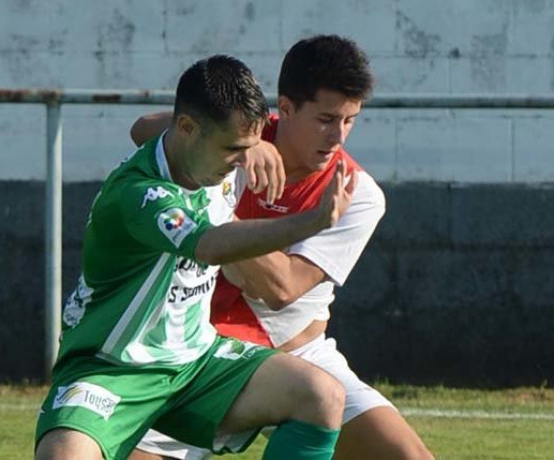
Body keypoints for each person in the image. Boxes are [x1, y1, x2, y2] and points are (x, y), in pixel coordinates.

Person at [34, 55, 359, 460]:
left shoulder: (212, 161)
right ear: (186, 129)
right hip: (112, 369)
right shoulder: (139, 194)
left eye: (248, 148)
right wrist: (311, 222)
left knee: (322, 395)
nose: (242, 162)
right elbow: (208, 244)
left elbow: (157, 128)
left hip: (195, 363)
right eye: (232, 149)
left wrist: (251, 144)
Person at [129, 36, 433, 460]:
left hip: (299, 354)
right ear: (285, 108)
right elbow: (142, 129)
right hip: (196, 350)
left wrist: (213, 213)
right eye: (326, 119)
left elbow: (282, 288)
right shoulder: (235, 145)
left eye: (350, 121)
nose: (338, 137)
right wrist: (242, 145)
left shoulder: (357, 193)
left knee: (409, 457)